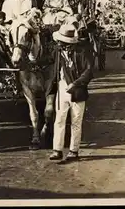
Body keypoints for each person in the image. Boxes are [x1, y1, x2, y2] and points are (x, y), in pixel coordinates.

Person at [46, 24, 94, 161]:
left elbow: (89, 72)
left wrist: (75, 83)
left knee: (76, 121)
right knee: (59, 120)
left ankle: (74, 150)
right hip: (62, 89)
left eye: (65, 43)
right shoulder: (57, 52)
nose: (62, 45)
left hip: (78, 91)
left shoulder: (82, 52)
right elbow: (48, 63)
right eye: (61, 42)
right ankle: (57, 149)